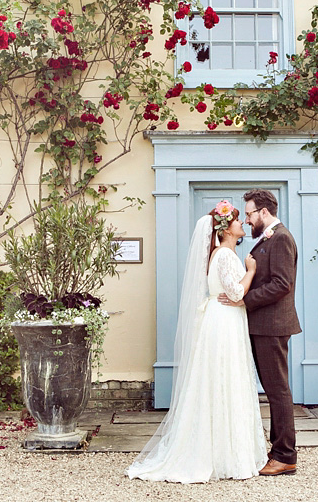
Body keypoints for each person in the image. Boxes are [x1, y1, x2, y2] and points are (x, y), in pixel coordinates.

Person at [127, 201, 266, 483]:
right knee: (224, 379)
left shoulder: (220, 254)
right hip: (224, 320)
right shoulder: (225, 256)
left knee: (220, 380)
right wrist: (251, 271)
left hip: (222, 318)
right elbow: (237, 293)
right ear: (227, 229)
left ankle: (224, 448)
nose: (242, 225)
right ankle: (224, 453)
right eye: (238, 221)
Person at [219, 188, 300, 476]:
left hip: (272, 326)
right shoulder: (268, 239)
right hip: (263, 326)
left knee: (278, 391)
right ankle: (277, 451)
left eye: (251, 213)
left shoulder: (281, 239)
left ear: (264, 212)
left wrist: (245, 299)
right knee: (274, 390)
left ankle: (285, 455)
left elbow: (282, 284)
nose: (249, 219)